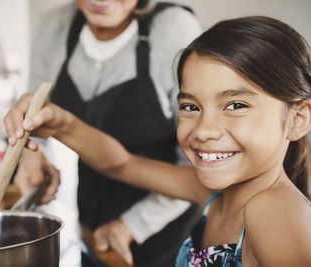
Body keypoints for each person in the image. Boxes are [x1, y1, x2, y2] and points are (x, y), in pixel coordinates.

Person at [5, 16, 311, 266]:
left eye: (235, 105)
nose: (203, 130)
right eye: (190, 106)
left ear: (298, 119)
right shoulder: (215, 193)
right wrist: (60, 122)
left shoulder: (272, 210)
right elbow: (121, 163)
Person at [14, 0, 203, 266]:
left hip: (168, 230)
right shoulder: (55, 26)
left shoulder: (174, 29)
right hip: (92, 225)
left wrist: (129, 226)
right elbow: (34, 115)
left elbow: (196, 167)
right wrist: (31, 153)